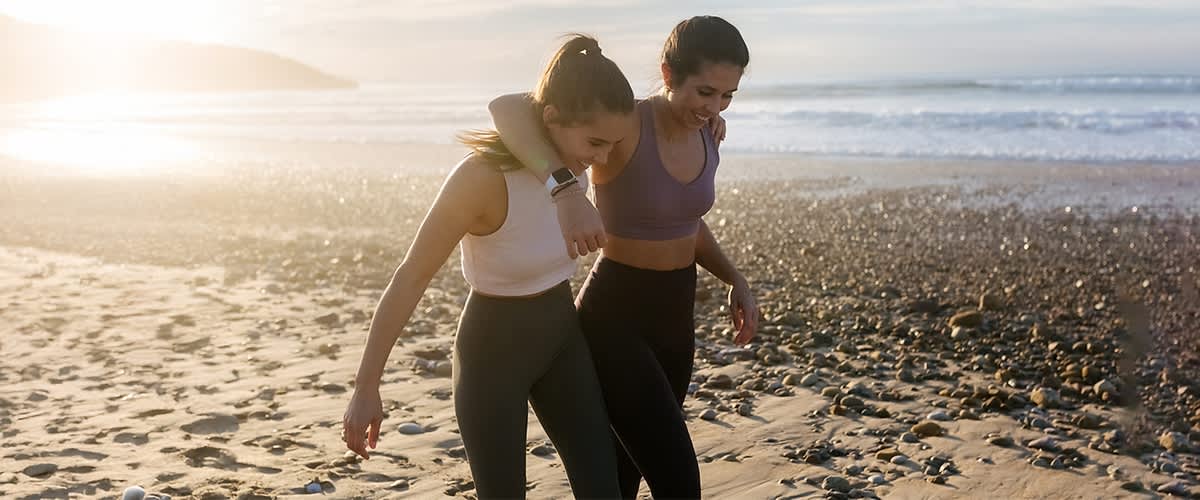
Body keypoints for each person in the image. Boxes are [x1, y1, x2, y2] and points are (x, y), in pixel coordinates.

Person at [342, 35, 633, 499]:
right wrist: (366, 386)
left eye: (611, 144)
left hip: (562, 340)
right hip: (492, 355)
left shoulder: (573, 166)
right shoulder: (480, 179)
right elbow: (411, 275)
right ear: (552, 119)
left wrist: (708, 121)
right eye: (595, 143)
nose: (601, 159)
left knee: (604, 491)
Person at [488, 15, 759, 499]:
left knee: (622, 478)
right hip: (616, 317)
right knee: (678, 479)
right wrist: (565, 190)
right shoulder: (627, 122)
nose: (715, 106)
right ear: (668, 73)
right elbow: (506, 107)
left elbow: (687, 223)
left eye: (726, 96)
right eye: (704, 92)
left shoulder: (708, 132)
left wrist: (734, 277)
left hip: (677, 318)